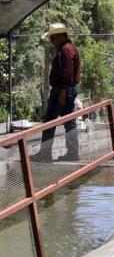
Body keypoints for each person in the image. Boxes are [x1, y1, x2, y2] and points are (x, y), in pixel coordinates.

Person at [35, 23, 81, 162]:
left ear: (61, 36)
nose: (52, 41)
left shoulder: (65, 50)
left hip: (63, 90)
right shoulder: (70, 48)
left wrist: (62, 91)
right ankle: (72, 154)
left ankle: (45, 154)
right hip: (68, 89)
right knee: (69, 121)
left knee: (49, 120)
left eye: (53, 38)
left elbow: (66, 73)